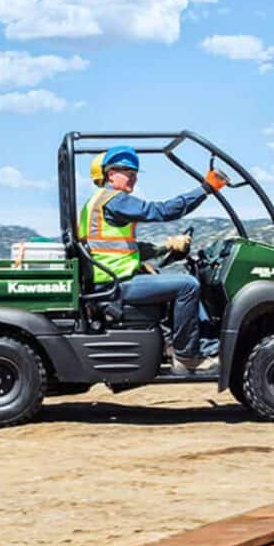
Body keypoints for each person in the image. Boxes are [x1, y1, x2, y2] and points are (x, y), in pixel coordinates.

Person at [79, 145, 227, 374]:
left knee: (177, 281)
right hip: (116, 284)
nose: (134, 179)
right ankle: (188, 357)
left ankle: (188, 345)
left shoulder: (95, 203)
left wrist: (164, 248)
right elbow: (162, 210)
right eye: (129, 173)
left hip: (111, 279)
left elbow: (118, 246)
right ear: (111, 174)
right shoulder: (114, 199)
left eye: (135, 175)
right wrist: (205, 189)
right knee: (188, 285)